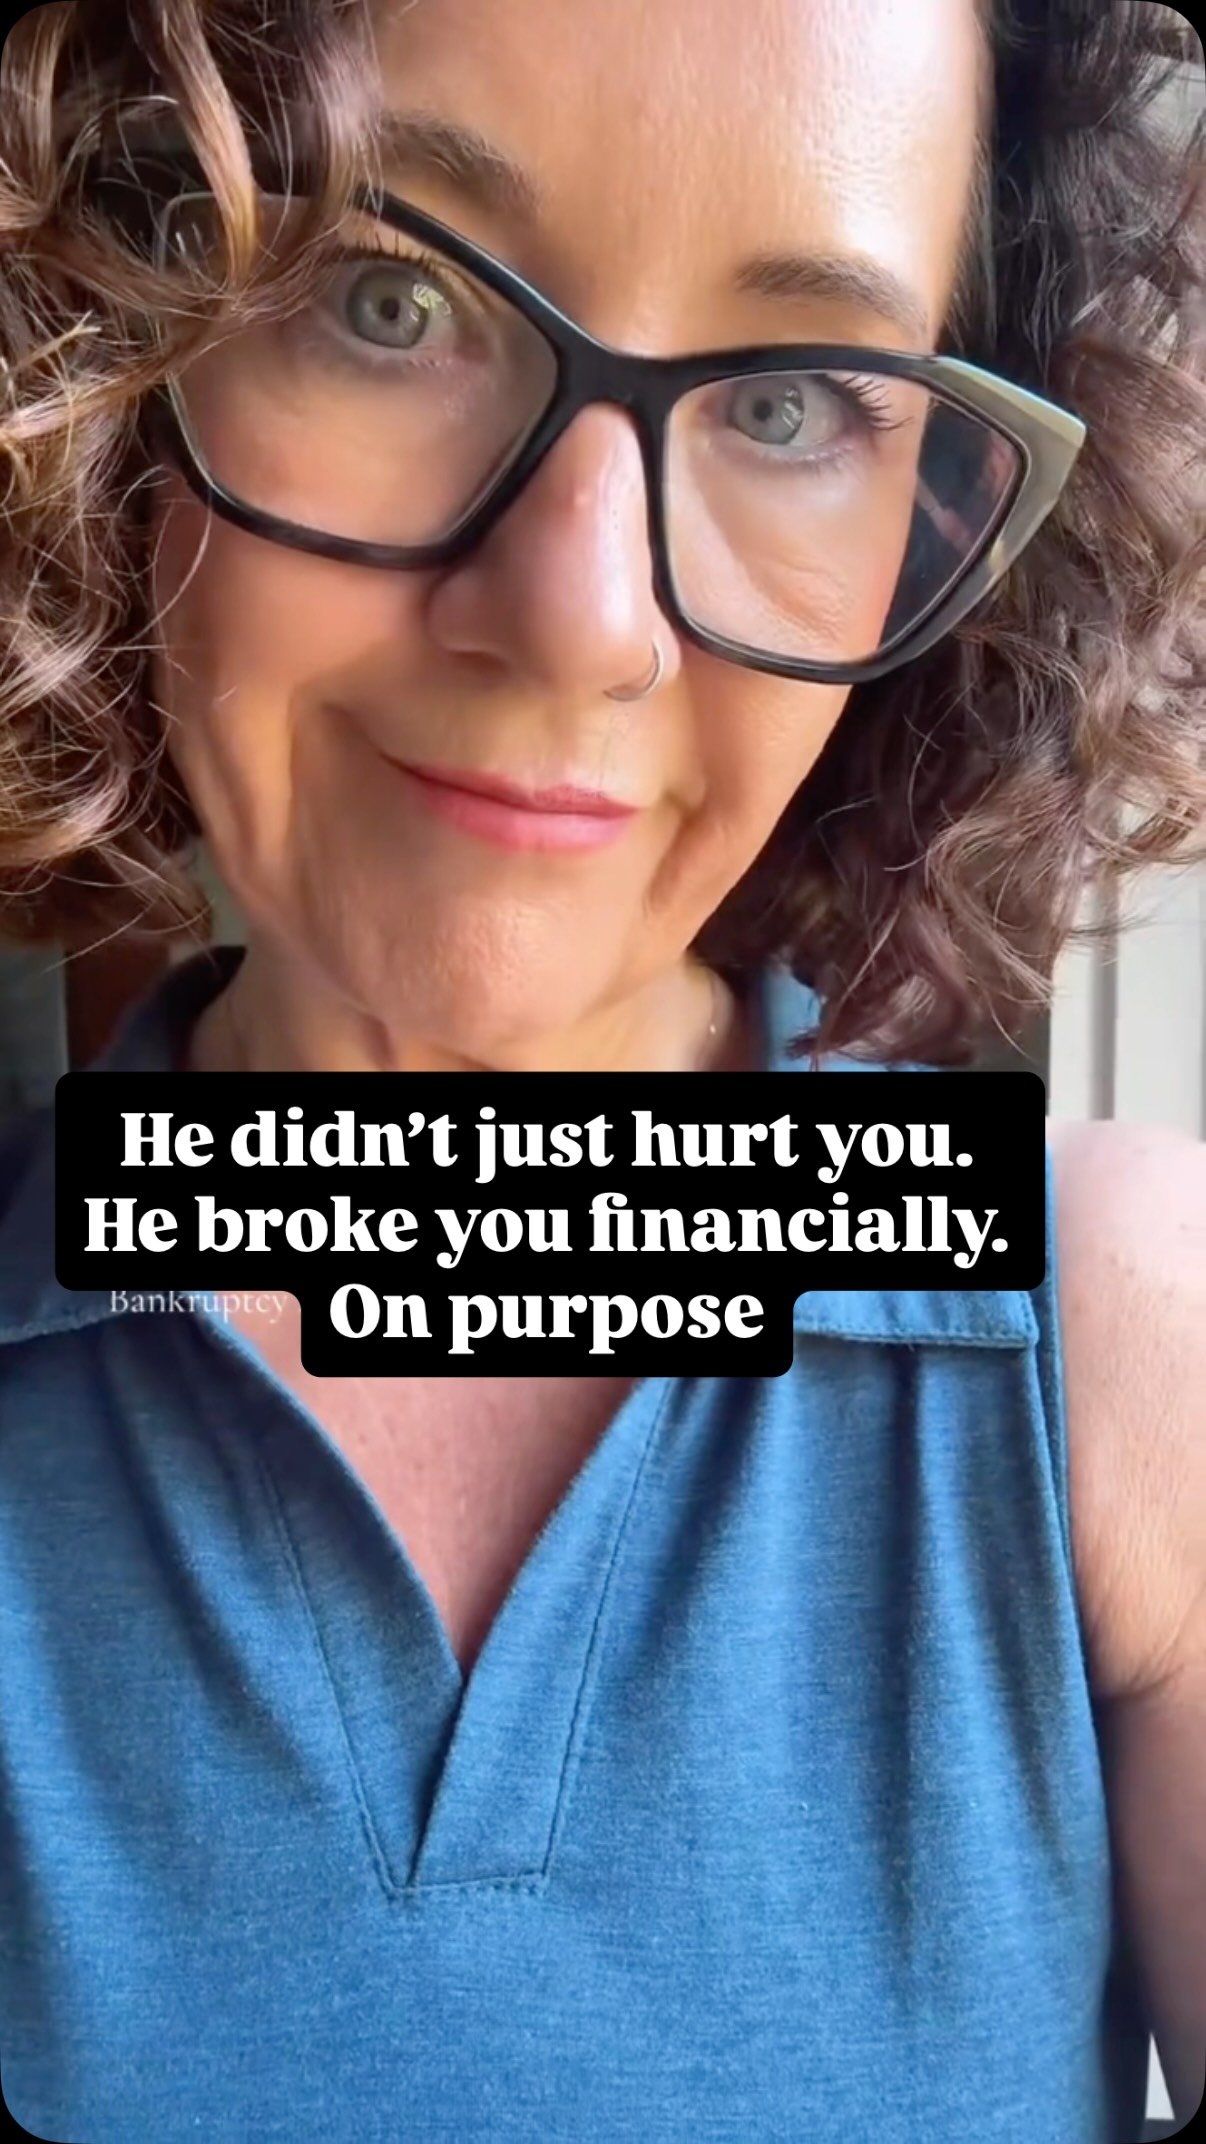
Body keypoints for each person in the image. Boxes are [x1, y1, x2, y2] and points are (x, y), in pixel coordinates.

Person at [0, 1, 1203, 2137]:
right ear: (113, 345)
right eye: (392, 300)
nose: (581, 618)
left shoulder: (1117, 1357)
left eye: (794, 403)